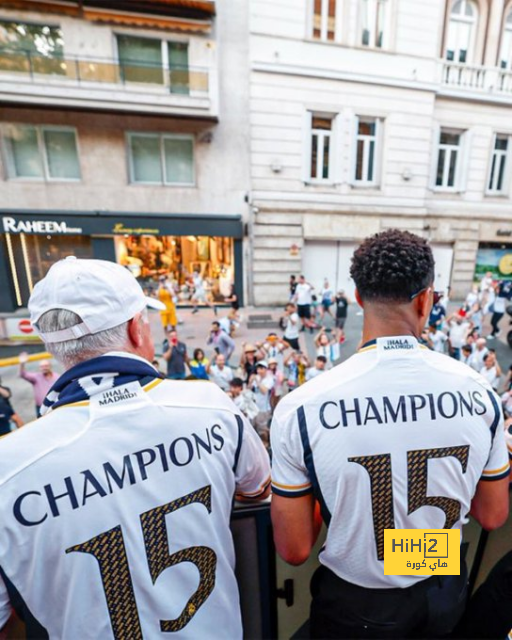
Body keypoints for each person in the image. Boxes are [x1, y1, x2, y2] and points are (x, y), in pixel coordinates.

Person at [0, 256, 270, 639]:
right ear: (136, 328)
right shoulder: (210, 404)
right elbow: (266, 504)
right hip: (369, 591)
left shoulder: (8, 467)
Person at [270, 230, 509, 640]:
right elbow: (492, 515)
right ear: (426, 300)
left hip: (356, 603)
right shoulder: (480, 392)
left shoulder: (302, 407)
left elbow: (294, 550)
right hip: (442, 590)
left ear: (359, 298)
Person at [18, 353, 60, 417]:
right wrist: (22, 363)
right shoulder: (36, 377)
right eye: (42, 366)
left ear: (50, 366)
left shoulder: (57, 376)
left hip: (54, 405)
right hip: (41, 407)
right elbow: (23, 374)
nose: (44, 368)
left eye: (46, 366)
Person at [249, 361, 274, 446]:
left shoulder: (270, 379)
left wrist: (257, 381)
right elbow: (249, 389)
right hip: (253, 408)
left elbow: (264, 391)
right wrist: (250, 381)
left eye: (262, 368)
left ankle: (267, 443)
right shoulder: (256, 377)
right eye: (258, 368)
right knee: (253, 427)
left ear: (266, 369)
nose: (259, 370)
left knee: (262, 429)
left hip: (263, 409)